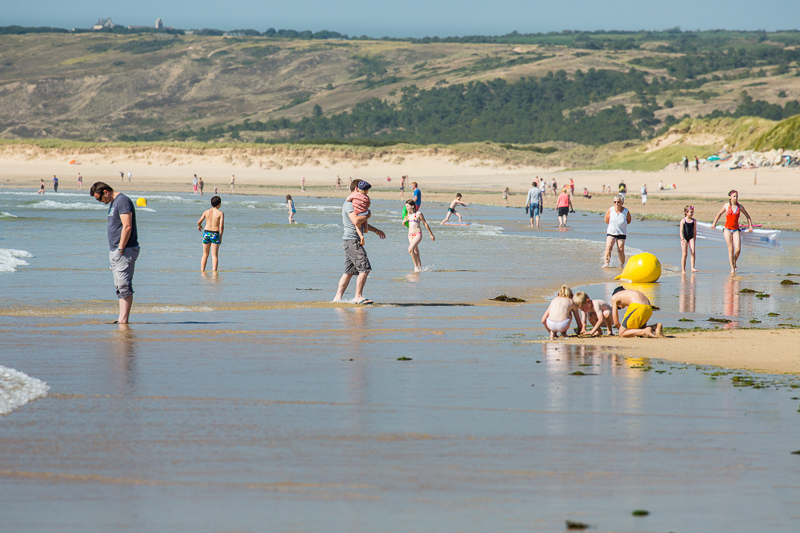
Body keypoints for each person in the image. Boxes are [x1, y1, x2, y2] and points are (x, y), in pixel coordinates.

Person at [90, 182, 140, 324]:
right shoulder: (114, 202)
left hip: (125, 250)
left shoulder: (122, 201)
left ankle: (123, 321)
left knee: (124, 285)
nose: (99, 202)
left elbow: (127, 226)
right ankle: (121, 319)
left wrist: (120, 248)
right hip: (117, 251)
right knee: (119, 286)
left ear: (106, 192)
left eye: (99, 198)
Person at [333, 180, 386, 305]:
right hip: (352, 241)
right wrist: (368, 215)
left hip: (350, 241)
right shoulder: (349, 204)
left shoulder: (355, 204)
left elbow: (360, 222)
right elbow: (357, 221)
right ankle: (358, 296)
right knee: (365, 268)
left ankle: (337, 298)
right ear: (356, 189)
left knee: (349, 271)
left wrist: (376, 230)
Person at [711, 190, 753, 274]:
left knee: (738, 249)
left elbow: (747, 216)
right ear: (730, 197)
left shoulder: (739, 207)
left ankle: (733, 262)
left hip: (736, 229)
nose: (736, 198)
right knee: (731, 249)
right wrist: (714, 223)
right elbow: (719, 214)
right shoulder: (726, 206)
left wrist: (750, 226)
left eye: (736, 196)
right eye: (734, 196)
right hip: (727, 229)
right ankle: (732, 269)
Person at [403, 199, 435, 272]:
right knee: (416, 251)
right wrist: (404, 221)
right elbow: (404, 224)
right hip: (410, 235)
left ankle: (416, 267)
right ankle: (420, 267)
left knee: (410, 249)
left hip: (418, 234)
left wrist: (431, 234)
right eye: (406, 207)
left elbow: (425, 223)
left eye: (407, 206)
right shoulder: (407, 215)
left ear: (412, 206)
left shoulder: (418, 213)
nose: (406, 208)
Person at [603, 195, 632, 268]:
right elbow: (606, 219)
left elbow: (629, 220)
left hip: (621, 232)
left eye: (618, 202)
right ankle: (606, 263)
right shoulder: (611, 209)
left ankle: (621, 265)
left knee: (621, 249)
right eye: (615, 202)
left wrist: (621, 225)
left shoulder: (625, 211)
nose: (616, 203)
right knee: (608, 247)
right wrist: (613, 225)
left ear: (622, 202)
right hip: (611, 232)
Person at [197, 196, 224, 272]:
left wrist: (199, 226)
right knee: (214, 255)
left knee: (205, 254)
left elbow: (198, 222)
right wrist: (220, 237)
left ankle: (202, 271)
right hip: (215, 233)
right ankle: (214, 272)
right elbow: (221, 226)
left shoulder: (206, 212)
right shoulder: (220, 213)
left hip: (206, 233)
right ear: (219, 204)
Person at [680, 205, 698, 274]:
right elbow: (681, 231)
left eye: (692, 212)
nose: (692, 213)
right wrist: (682, 238)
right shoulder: (683, 221)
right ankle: (683, 269)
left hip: (691, 237)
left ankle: (692, 267)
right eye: (690, 212)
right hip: (684, 238)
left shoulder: (694, 221)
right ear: (686, 213)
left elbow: (694, 231)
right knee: (684, 254)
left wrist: (694, 239)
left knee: (693, 252)